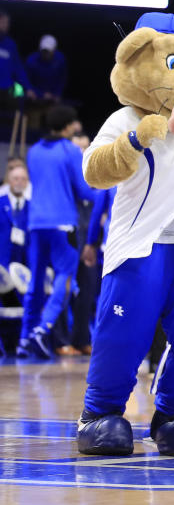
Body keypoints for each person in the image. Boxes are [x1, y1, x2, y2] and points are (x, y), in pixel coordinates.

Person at [77, 13, 174, 458]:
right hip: (141, 246)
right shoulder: (124, 118)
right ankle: (99, 415)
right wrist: (133, 142)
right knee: (125, 334)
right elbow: (92, 171)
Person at [19, 104, 96, 359]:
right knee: (65, 278)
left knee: (35, 281)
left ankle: (24, 339)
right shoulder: (70, 150)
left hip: (35, 223)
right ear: (67, 126)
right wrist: (105, 192)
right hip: (63, 224)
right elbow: (84, 191)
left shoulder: (34, 151)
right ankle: (43, 329)